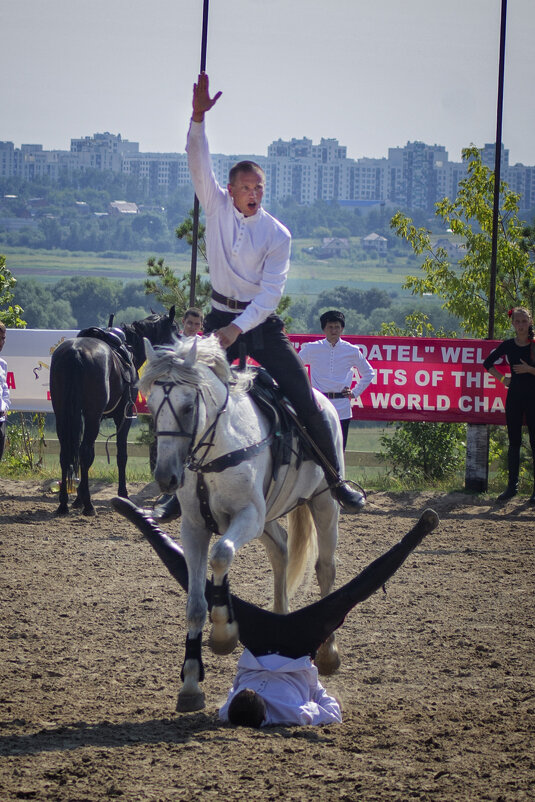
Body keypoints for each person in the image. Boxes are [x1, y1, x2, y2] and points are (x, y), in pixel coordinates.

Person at [186, 72, 364, 513]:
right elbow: (197, 159)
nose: (253, 194)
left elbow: (269, 298)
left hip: (260, 324)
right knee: (190, 390)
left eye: (259, 187)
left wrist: (237, 331)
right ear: (230, 189)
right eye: (246, 187)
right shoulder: (215, 205)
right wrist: (197, 118)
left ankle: (336, 480)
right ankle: (179, 488)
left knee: (303, 396)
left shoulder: (277, 234)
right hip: (216, 318)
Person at [112, 496, 438, 727]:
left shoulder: (294, 715)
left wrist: (312, 683)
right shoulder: (232, 712)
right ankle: (338, 481)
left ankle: (413, 538)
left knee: (353, 593)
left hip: (296, 645)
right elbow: (238, 691)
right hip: (265, 641)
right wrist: (313, 684)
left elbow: (330, 711)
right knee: (197, 584)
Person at [298, 310, 375, 450]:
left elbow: (369, 373)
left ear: (342, 329)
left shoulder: (352, 350)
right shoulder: (312, 348)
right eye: (330, 327)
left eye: (337, 327)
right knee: (316, 449)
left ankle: (337, 473)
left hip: (342, 406)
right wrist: (304, 390)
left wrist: (355, 392)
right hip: (318, 405)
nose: (334, 330)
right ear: (324, 329)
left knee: (339, 450)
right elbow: (295, 367)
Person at [483, 306, 535, 502]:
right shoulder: (508, 345)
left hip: (533, 398)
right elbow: (487, 363)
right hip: (514, 398)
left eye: (524, 321)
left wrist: (530, 369)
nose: (521, 325)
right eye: (517, 321)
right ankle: (511, 487)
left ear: (530, 321)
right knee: (514, 442)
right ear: (512, 323)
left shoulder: (534, 344)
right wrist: (502, 379)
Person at [0, 322, 10, 461]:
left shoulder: (3, 364)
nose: (1, 342)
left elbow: (5, 388)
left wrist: (5, 406)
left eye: (3, 338)